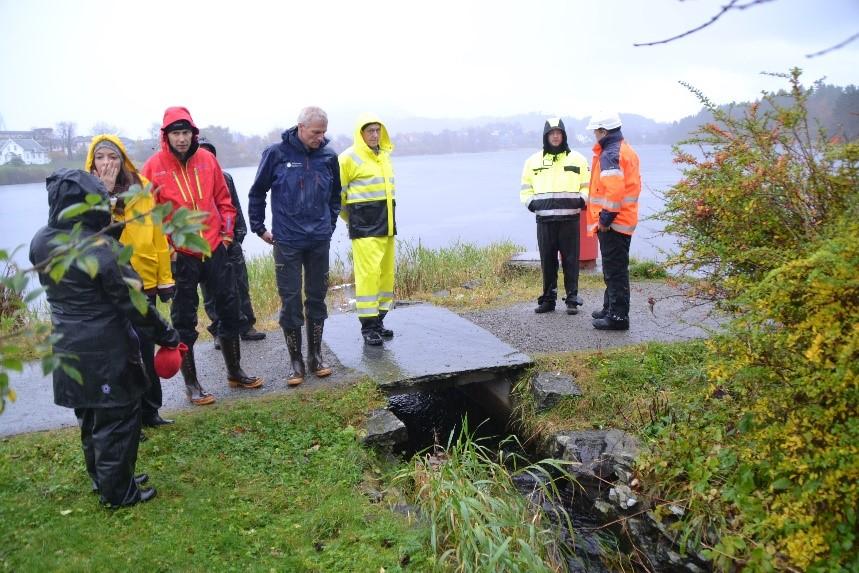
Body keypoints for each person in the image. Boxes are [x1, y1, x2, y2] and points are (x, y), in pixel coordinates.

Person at [29, 168, 180, 507]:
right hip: (105, 351)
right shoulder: (101, 250)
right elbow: (136, 305)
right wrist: (167, 335)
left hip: (66, 345)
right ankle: (119, 493)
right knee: (117, 421)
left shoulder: (42, 239)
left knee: (90, 418)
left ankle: (108, 479)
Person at [142, 106, 262, 405]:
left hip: (214, 249)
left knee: (230, 309)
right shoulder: (152, 167)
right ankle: (192, 384)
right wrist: (167, 249)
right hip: (180, 255)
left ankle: (235, 372)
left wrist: (225, 236)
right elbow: (147, 216)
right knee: (183, 319)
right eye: (175, 133)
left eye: (185, 133)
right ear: (165, 136)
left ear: (193, 134)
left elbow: (225, 201)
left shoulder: (208, 160)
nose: (181, 139)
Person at [84, 134, 176, 428]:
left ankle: (151, 412)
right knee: (121, 354)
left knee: (146, 348)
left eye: (113, 157)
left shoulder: (143, 187)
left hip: (145, 279)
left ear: (122, 159)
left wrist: (165, 279)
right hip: (111, 284)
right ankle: (128, 417)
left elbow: (158, 234)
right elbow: (93, 234)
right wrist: (106, 193)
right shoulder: (85, 192)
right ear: (92, 162)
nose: (107, 163)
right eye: (100, 158)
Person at [248, 106, 340, 387]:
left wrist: (330, 224)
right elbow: (257, 191)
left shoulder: (328, 156)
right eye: (315, 132)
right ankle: (296, 361)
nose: (320, 137)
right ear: (300, 127)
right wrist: (259, 227)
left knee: (316, 297)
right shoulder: (276, 154)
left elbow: (336, 195)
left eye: (324, 132)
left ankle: (315, 356)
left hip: (318, 240)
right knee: (290, 301)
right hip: (287, 240)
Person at [196, 138, 266, 350]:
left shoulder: (225, 177)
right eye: (202, 153)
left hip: (230, 241)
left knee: (240, 285)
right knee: (210, 291)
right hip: (205, 245)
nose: (207, 158)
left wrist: (239, 233)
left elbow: (233, 206)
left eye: (210, 153)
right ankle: (219, 330)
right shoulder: (190, 183)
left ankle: (246, 326)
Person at [520, 118, 590, 315]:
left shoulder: (578, 159)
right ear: (546, 136)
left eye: (559, 132)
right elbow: (525, 189)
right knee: (548, 261)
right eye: (551, 133)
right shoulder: (532, 161)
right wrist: (531, 204)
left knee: (571, 260)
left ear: (564, 135)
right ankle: (548, 300)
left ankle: (572, 299)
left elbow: (588, 185)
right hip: (545, 220)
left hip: (570, 219)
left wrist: (582, 200)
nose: (555, 136)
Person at [338, 114, 397, 346]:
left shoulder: (384, 156)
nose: (374, 135)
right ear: (360, 134)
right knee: (368, 277)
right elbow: (338, 197)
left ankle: (379, 321)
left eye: (377, 130)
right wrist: (353, 219)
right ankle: (368, 327)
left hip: (387, 226)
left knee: (385, 276)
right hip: (364, 228)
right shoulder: (347, 158)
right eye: (370, 131)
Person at [585, 111, 641, 331]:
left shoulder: (610, 154)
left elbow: (614, 192)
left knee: (615, 270)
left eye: (595, 131)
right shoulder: (624, 150)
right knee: (614, 267)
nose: (594, 135)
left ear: (603, 131)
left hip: (614, 222)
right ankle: (610, 308)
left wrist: (605, 219)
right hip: (624, 219)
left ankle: (618, 317)